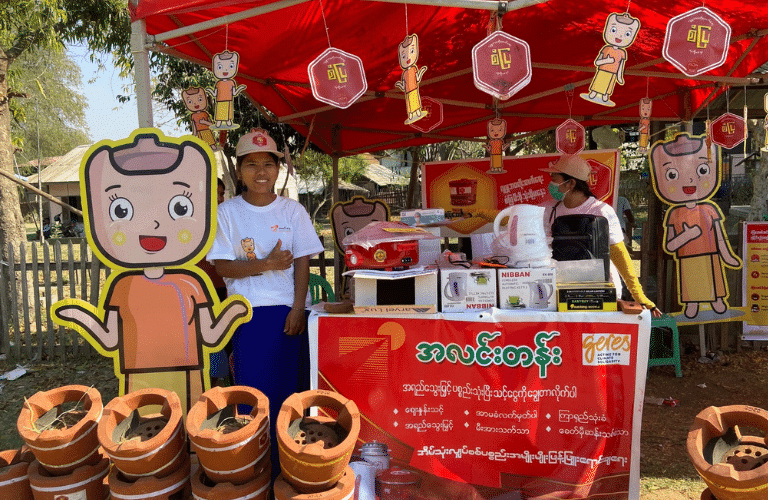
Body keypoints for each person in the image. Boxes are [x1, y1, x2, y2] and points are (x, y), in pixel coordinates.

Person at [207, 128, 325, 475]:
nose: (261, 172)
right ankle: (256, 473)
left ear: (278, 169)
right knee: (255, 398)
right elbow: (223, 265)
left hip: (288, 316)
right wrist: (266, 264)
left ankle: (289, 471)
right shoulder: (227, 213)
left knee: (291, 395)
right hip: (247, 316)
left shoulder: (293, 211)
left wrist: (299, 308)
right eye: (251, 164)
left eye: (268, 164)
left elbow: (304, 259)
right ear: (239, 171)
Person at [541, 154, 661, 318]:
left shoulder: (601, 211)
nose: (551, 183)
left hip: (602, 293)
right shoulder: (550, 210)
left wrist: (638, 295)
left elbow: (620, 255)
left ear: (571, 183)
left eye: (554, 178)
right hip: (563, 292)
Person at [197, 178, 231, 386]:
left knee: (226, 341)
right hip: (201, 290)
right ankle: (210, 387)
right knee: (208, 342)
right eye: (213, 194)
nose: (219, 199)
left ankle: (232, 386)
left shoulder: (227, 220)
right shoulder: (191, 224)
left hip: (226, 289)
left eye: (221, 194)